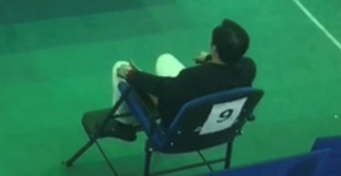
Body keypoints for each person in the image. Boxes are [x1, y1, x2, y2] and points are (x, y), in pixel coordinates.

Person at [103, 20, 257, 141]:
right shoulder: (248, 68)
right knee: (165, 60)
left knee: (119, 67)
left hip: (182, 129)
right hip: (222, 128)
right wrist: (209, 59)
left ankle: (123, 125)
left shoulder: (193, 77)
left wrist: (132, 74)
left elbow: (161, 87)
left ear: (215, 49)